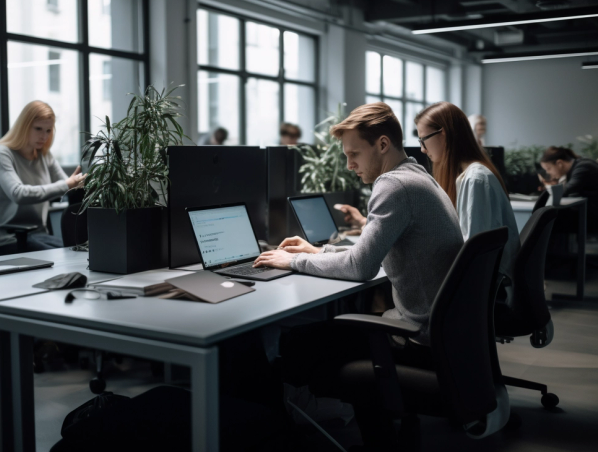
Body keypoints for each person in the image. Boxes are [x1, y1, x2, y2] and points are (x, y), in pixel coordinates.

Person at [253, 102, 464, 447]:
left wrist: (292, 262)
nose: (350, 165)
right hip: (440, 332)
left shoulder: (393, 186)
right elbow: (369, 253)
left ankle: (281, 430)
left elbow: (360, 268)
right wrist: (317, 251)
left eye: (354, 154)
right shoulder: (418, 175)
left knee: (298, 343)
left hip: (416, 336)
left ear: (382, 145)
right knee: (332, 332)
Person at [416, 102, 519, 280]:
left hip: (485, 289)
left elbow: (470, 253)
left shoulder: (475, 180)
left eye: (423, 140)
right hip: (485, 285)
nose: (422, 149)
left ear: (443, 134)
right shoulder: (470, 175)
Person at [0, 100, 86, 254]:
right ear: (23, 127)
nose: (44, 136)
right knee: (71, 255)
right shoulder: (1, 153)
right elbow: (18, 194)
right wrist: (68, 184)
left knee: (80, 251)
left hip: (39, 236)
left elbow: (68, 187)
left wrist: (83, 184)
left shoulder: (44, 155)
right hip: (10, 239)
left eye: (48, 130)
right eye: (38, 129)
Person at [540, 146, 598, 232]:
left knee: (550, 219)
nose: (548, 172)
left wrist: (546, 193)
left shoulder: (583, 167)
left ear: (559, 163)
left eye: (548, 168)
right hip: (590, 212)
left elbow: (567, 190)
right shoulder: (578, 166)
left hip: (593, 215)